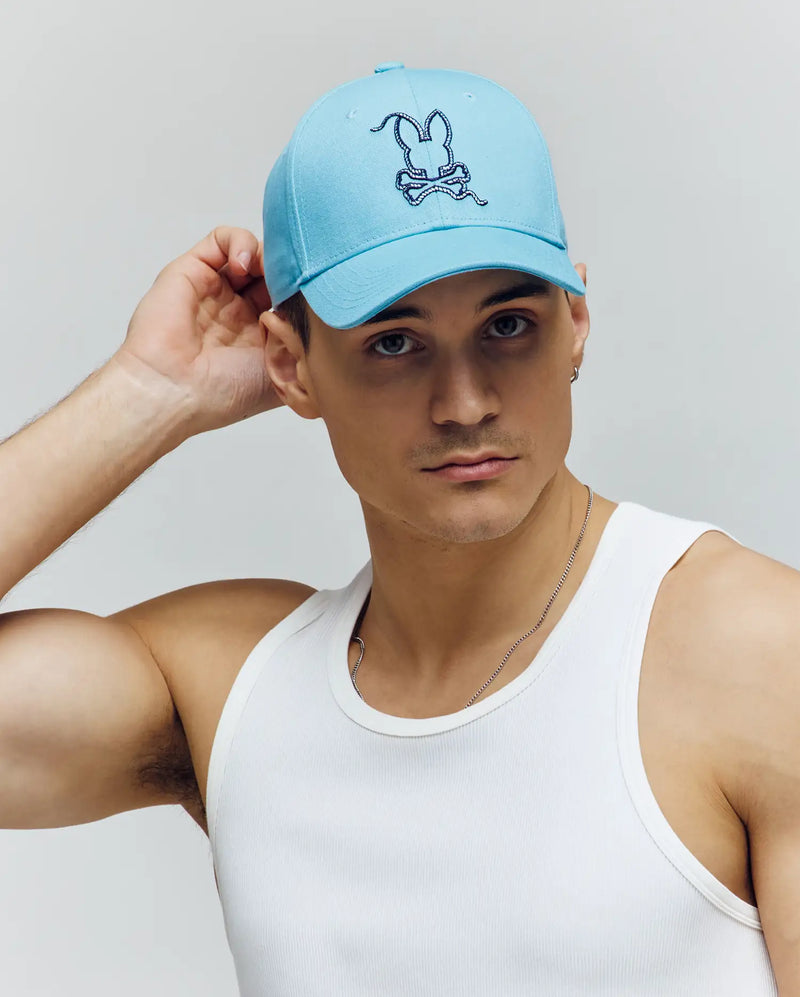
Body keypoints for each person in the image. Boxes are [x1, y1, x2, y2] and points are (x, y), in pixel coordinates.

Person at [0, 62, 793, 995]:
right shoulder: (235, 685)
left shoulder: (752, 649)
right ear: (290, 366)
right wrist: (149, 391)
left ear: (576, 322)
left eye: (508, 325)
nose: (465, 403)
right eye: (393, 341)